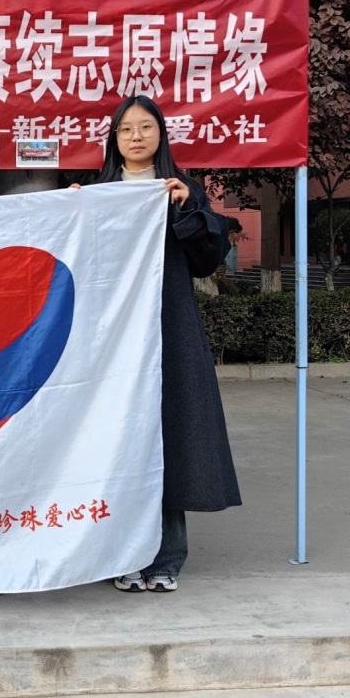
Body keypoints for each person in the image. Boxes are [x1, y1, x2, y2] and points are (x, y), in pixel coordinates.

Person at [76, 95, 240, 593]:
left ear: (161, 135)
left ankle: (167, 557)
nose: (136, 136)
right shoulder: (98, 193)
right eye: (126, 129)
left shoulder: (181, 189)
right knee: (116, 440)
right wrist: (73, 212)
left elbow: (207, 261)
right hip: (110, 336)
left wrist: (188, 210)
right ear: (114, 138)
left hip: (169, 327)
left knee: (168, 435)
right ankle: (122, 554)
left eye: (146, 127)